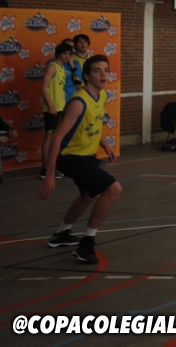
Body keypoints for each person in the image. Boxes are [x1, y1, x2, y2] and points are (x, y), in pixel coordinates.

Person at [38, 55, 121, 264]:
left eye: (106, 70)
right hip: (70, 157)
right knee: (113, 189)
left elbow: (93, 124)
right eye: (97, 71)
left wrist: (105, 145)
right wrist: (50, 175)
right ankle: (87, 244)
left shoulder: (101, 96)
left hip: (87, 156)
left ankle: (61, 234)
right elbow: (57, 138)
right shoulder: (78, 102)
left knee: (88, 196)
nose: (103, 74)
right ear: (86, 76)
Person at [39, 41, 75, 180]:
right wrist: (51, 106)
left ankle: (52, 168)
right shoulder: (52, 67)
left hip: (60, 107)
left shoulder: (62, 68)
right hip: (52, 108)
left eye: (69, 54)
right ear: (58, 54)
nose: (67, 56)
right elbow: (43, 87)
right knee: (49, 137)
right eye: (64, 53)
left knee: (55, 138)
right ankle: (45, 169)